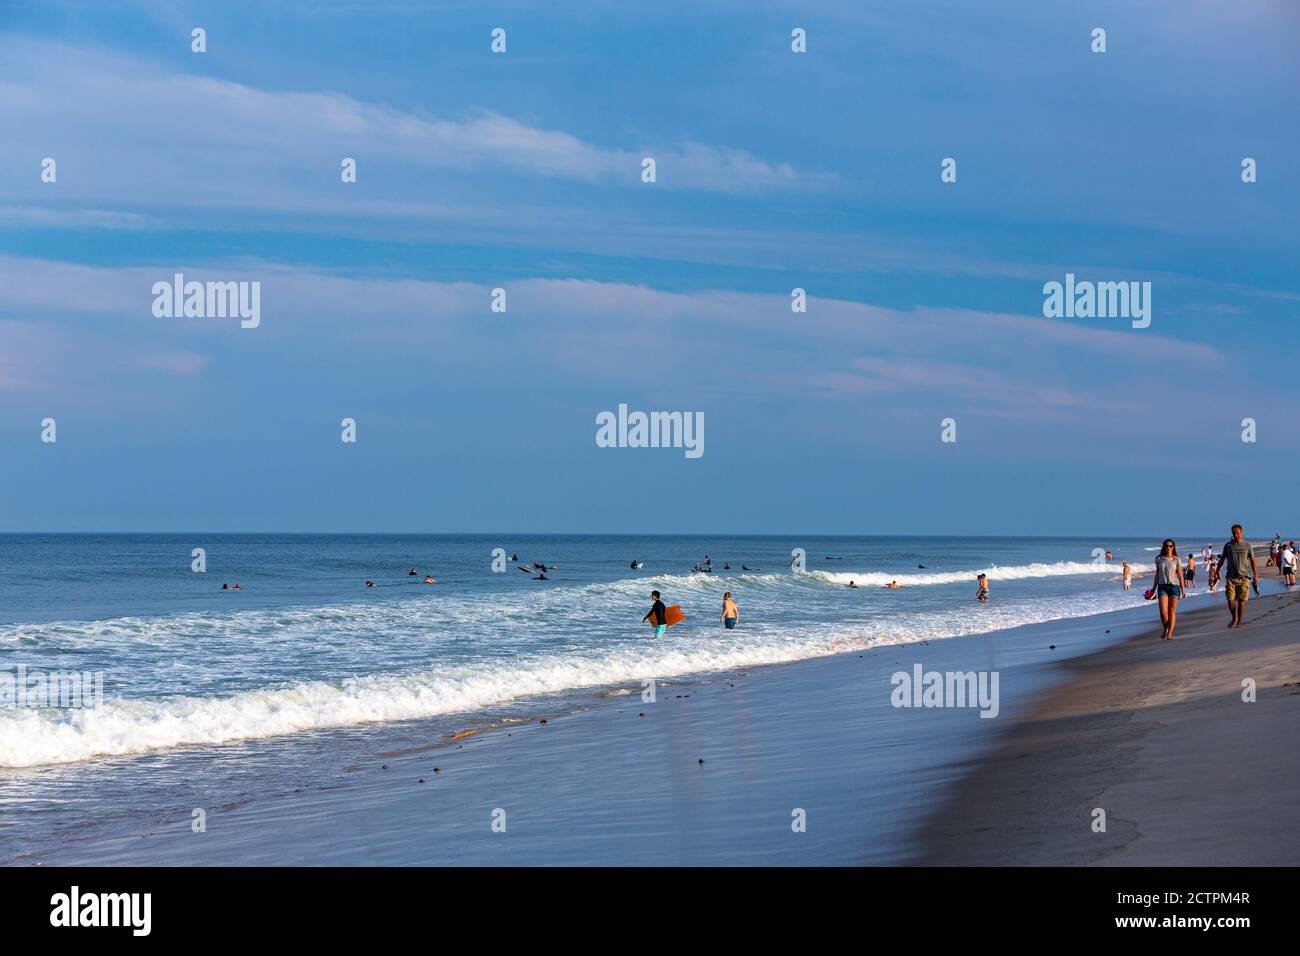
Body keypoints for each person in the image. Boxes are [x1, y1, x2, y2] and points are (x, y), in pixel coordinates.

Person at [1215, 524, 1259, 629]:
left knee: (1241, 600)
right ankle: (1233, 617)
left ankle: (1239, 621)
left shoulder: (1247, 545)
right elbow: (1222, 559)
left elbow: (1253, 561)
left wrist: (1256, 576)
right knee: (1230, 600)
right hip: (1231, 577)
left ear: (1241, 533)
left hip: (1244, 577)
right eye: (1234, 533)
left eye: (1238, 533)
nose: (1236, 535)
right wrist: (1217, 570)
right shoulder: (1228, 546)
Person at [1152, 538, 1186, 639]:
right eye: (1166, 546)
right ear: (1164, 547)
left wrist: (1183, 590)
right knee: (1163, 612)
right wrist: (1153, 588)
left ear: (1173, 547)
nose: (1168, 548)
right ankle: (1165, 628)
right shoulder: (1159, 559)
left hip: (1174, 587)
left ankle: (1170, 632)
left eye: (1170, 546)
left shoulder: (1177, 559)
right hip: (1162, 587)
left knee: (1171, 611)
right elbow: (1157, 574)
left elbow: (1180, 575)